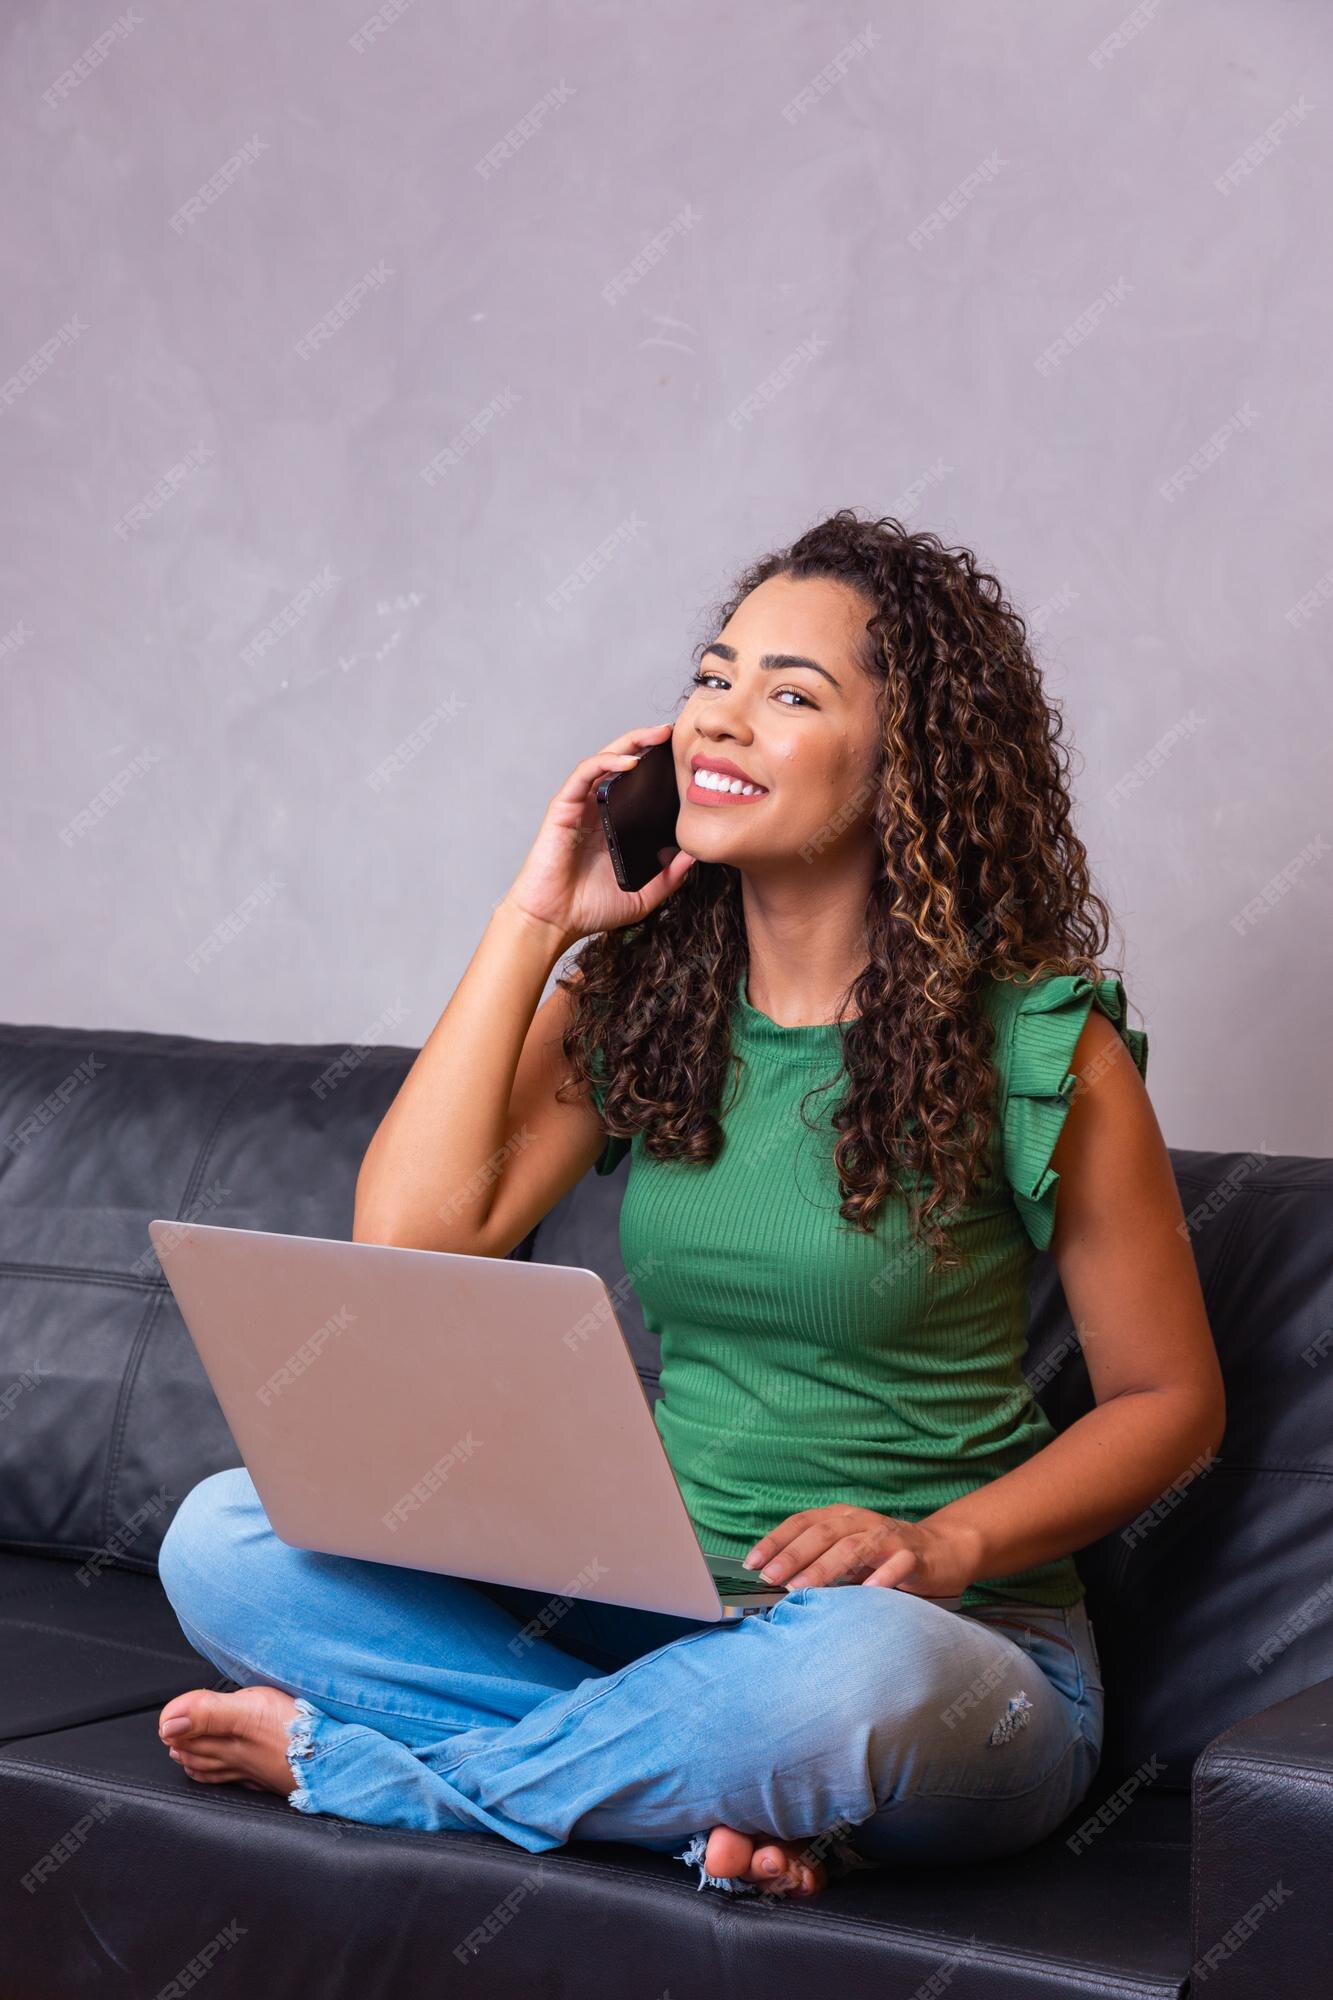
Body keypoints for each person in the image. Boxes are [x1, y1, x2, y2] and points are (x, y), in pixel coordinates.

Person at [155, 508, 1224, 1899]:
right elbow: (409, 1242)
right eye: (713, 679)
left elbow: (1167, 1402)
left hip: (938, 1654)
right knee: (226, 1537)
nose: (720, 722)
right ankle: (683, 1803)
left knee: (850, 1676)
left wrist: (946, 1543)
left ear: (909, 760)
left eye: (790, 695)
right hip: (654, 1627)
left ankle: (376, 1777)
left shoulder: (1036, 1043)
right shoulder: (647, 1004)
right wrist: (537, 920)